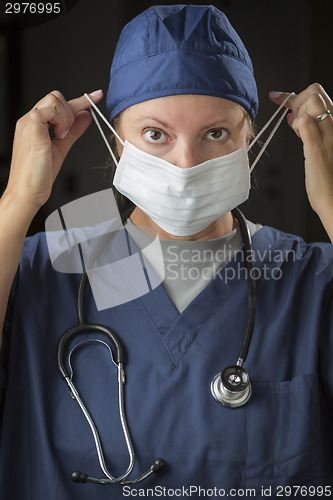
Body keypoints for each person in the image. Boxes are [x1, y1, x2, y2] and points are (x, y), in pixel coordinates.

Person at [0, 4, 333, 499]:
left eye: (215, 134)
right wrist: (17, 202)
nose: (185, 165)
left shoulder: (310, 278)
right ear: (117, 143)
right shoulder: (38, 268)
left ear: (250, 137)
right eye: (155, 135)